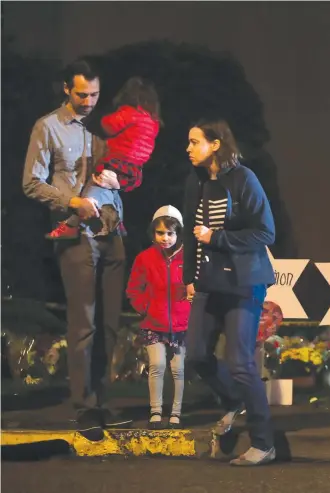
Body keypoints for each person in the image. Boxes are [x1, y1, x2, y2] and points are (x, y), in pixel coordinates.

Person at [22, 59, 131, 430]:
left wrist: (121, 181)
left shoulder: (104, 128)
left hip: (113, 231)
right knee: (83, 322)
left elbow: (124, 170)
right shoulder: (48, 127)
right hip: (75, 233)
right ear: (67, 89)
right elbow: (31, 183)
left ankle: (103, 400)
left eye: (95, 94)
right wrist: (72, 202)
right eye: (82, 93)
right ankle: (84, 404)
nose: (89, 101)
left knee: (110, 322)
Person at [183, 119, 277, 466]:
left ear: (216, 144)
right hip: (208, 283)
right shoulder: (194, 182)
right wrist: (188, 277)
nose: (188, 148)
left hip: (243, 282)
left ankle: (264, 443)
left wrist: (218, 238)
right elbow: (192, 234)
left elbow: (265, 232)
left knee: (240, 361)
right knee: (195, 355)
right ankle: (235, 400)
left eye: (195, 142)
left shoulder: (243, 179)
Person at [46, 76, 161, 240]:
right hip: (135, 169)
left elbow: (109, 126)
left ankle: (72, 224)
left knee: (94, 187)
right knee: (112, 191)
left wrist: (101, 119)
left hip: (118, 161)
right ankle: (117, 221)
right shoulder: (154, 122)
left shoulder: (130, 113)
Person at [126, 205, 189, 429]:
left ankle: (176, 413)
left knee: (178, 369)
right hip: (154, 323)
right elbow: (133, 289)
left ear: (178, 233)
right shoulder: (145, 258)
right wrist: (146, 308)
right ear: (153, 233)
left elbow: (196, 286)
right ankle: (155, 411)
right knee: (157, 365)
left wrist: (190, 305)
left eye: (170, 233)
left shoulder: (189, 257)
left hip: (181, 324)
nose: (165, 238)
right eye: (160, 233)